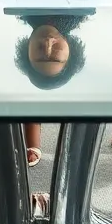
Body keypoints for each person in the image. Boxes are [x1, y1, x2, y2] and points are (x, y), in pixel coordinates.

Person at [14, 13, 91, 166]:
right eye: (56, 52)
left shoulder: (23, 12)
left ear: (27, 48)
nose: (49, 43)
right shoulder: (81, 12)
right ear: (70, 50)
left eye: (40, 50)